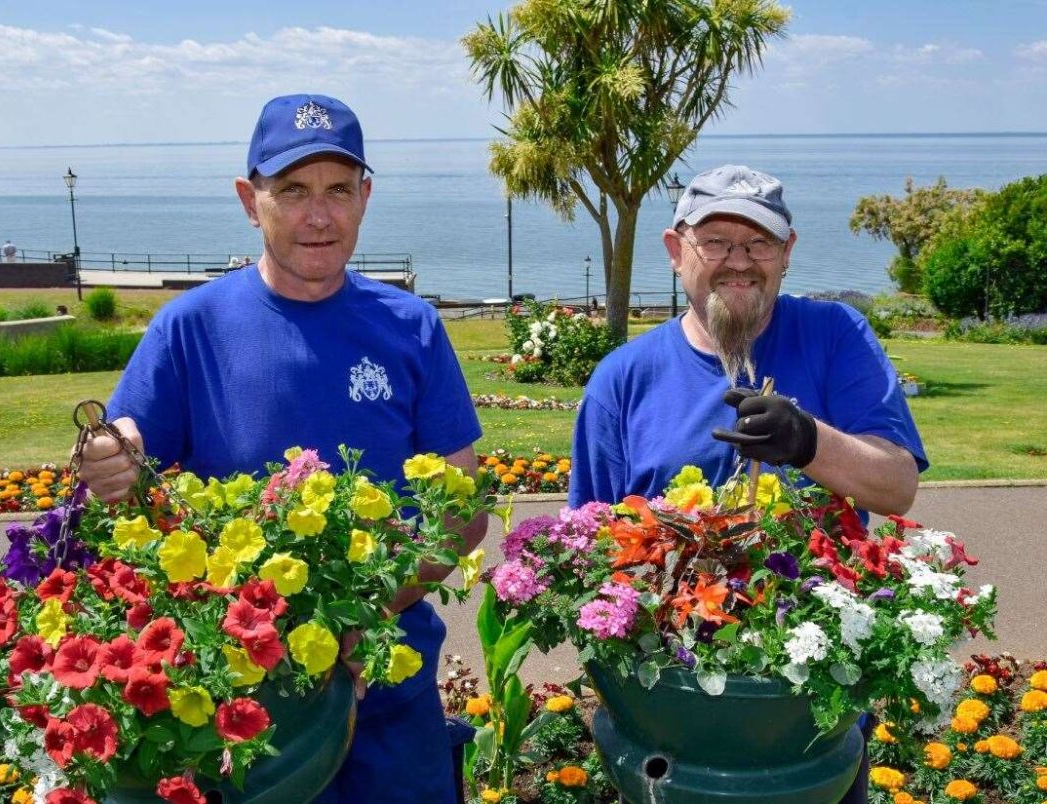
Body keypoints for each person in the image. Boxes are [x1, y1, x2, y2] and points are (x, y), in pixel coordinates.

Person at [77, 93, 485, 804]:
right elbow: (121, 484)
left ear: (365, 197)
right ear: (250, 200)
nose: (319, 216)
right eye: (293, 191)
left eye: (338, 190)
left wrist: (360, 619)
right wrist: (109, 464)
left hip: (390, 694)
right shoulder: (189, 329)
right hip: (251, 715)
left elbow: (462, 509)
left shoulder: (411, 326)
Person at [569, 165, 927, 804]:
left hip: (806, 724)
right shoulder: (622, 380)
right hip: (671, 719)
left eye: (759, 242)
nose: (739, 261)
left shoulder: (835, 336)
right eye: (716, 242)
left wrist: (807, 441)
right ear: (676, 249)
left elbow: (897, 485)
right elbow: (589, 551)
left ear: (787, 253)